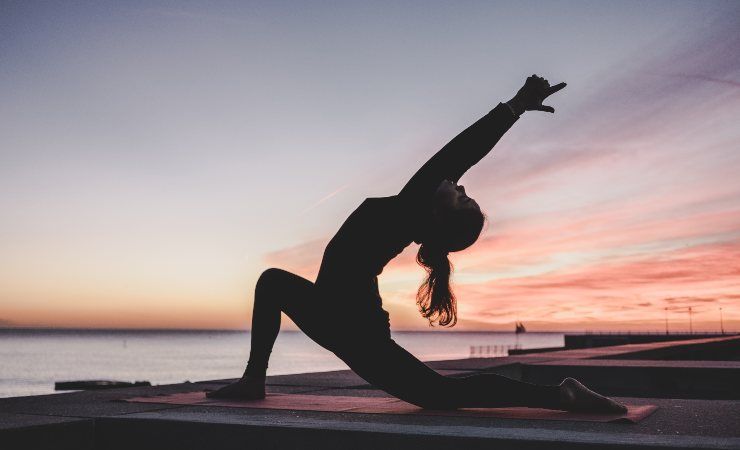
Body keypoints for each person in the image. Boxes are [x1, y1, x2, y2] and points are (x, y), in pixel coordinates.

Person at [207, 75, 627, 413]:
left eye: (462, 196)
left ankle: (561, 395)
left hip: (354, 328)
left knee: (441, 396)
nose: (459, 184)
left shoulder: (413, 207)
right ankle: (254, 379)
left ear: (439, 216)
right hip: (331, 312)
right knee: (271, 282)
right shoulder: (411, 213)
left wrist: (515, 107)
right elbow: (458, 160)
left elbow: (461, 152)